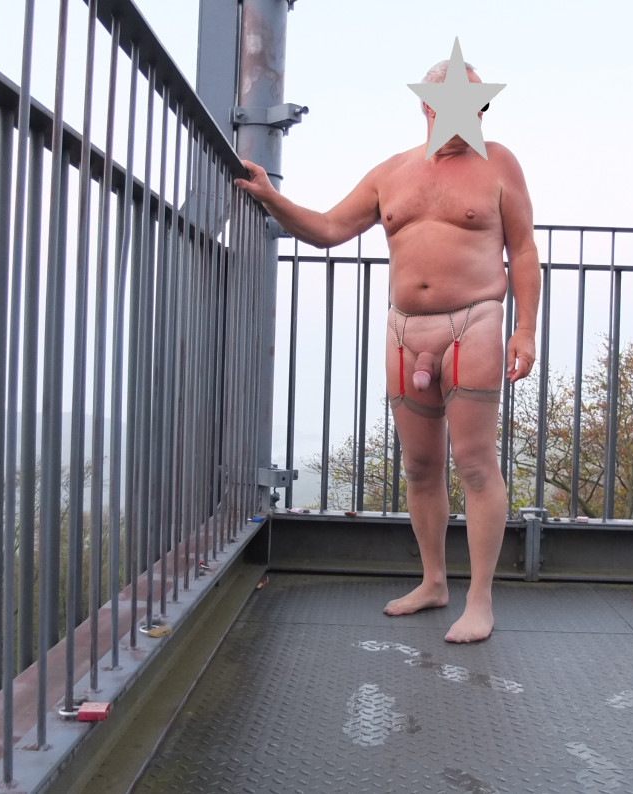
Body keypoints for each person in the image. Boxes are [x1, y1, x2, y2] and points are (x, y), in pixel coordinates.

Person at [234, 58, 539, 643]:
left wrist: (524, 330)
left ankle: (479, 600)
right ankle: (433, 582)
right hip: (405, 332)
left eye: (478, 104)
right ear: (426, 104)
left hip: (475, 322)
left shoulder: (499, 163)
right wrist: (270, 197)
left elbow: (522, 250)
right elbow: (328, 228)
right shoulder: (390, 173)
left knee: (476, 464)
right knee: (420, 466)